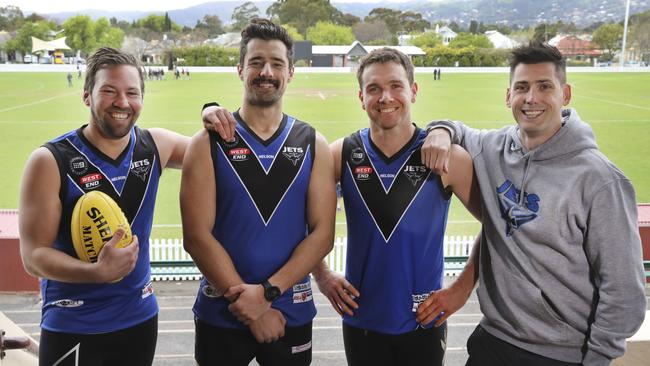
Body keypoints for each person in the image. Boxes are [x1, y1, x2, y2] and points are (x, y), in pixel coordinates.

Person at [201, 47, 482, 366]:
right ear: (361, 97)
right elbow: (298, 218)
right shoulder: (340, 154)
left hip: (423, 319)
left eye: (396, 86)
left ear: (413, 91)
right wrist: (322, 275)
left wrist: (460, 290)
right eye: (373, 89)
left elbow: (497, 228)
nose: (385, 97)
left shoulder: (447, 158)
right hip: (360, 320)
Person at [418, 41, 646, 365]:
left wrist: (596, 360)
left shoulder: (600, 181)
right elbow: (457, 130)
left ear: (565, 95)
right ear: (508, 95)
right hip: (491, 341)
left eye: (544, 87)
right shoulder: (493, 147)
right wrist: (440, 131)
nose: (531, 98)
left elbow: (624, 292)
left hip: (560, 354)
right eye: (522, 87)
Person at [19, 47, 189, 366]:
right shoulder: (50, 161)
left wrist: (211, 112)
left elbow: (216, 156)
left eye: (131, 92)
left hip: (139, 320)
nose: (122, 102)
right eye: (109, 91)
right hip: (73, 323)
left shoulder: (156, 146)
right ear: (87, 96)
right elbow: (33, 257)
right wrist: (96, 272)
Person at [181, 18, 336, 366]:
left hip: (290, 311)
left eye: (277, 64)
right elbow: (196, 236)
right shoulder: (207, 142)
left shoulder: (313, 143)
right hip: (222, 313)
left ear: (291, 73)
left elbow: (323, 234)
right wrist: (251, 309)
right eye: (256, 62)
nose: (266, 71)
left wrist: (267, 295)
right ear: (240, 69)